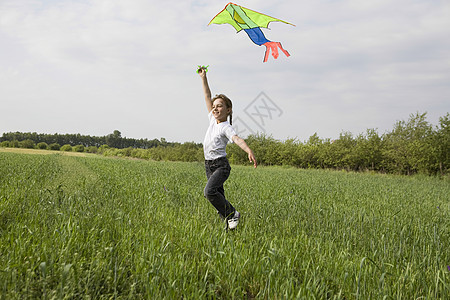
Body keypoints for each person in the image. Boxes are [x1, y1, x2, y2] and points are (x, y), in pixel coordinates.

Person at [198, 67, 257, 230]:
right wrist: (204, 78)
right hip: (208, 165)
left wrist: (248, 150)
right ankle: (230, 227)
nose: (215, 108)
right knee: (219, 198)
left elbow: (237, 139)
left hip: (220, 166)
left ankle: (233, 214)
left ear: (228, 110)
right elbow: (207, 96)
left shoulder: (225, 127)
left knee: (209, 192)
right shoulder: (212, 120)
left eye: (220, 106)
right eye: (214, 106)